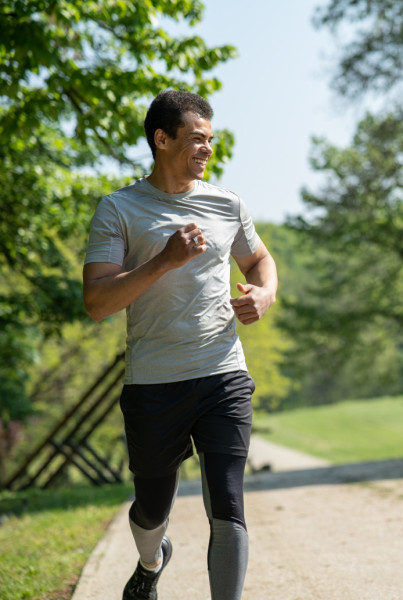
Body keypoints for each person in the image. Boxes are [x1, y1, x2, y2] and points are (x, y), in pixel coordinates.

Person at [83, 90, 277, 600]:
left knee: (228, 506)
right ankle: (151, 560)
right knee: (151, 507)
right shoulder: (118, 208)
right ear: (161, 139)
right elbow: (98, 302)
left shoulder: (227, 203)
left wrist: (264, 292)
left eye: (210, 140)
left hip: (222, 372)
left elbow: (260, 261)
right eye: (197, 139)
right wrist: (163, 261)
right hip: (153, 381)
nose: (207, 149)